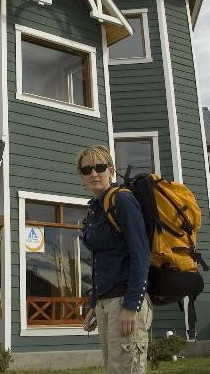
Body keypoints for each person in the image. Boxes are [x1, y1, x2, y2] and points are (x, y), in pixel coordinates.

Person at [79, 145, 152, 373]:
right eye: (87, 169)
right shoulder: (96, 209)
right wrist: (93, 304)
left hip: (125, 302)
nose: (94, 173)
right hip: (105, 303)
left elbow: (141, 254)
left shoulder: (122, 200)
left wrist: (131, 305)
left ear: (111, 169)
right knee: (113, 368)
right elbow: (100, 260)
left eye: (100, 167)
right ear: (81, 175)